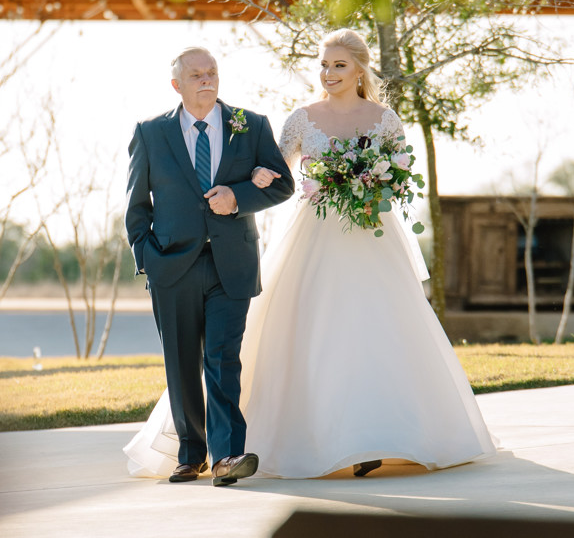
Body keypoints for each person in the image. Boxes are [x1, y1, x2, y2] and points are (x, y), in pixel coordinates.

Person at [126, 29, 496, 480]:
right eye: (324, 65)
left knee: (363, 338)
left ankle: (357, 440)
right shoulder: (294, 120)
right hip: (289, 243)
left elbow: (391, 175)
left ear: (360, 68)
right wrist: (150, 255)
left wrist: (366, 184)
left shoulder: (372, 118)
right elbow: (274, 172)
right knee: (245, 350)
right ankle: (201, 451)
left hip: (362, 243)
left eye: (339, 65)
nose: (329, 73)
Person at [124, 47, 294, 486]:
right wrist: (147, 259)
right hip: (170, 266)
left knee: (222, 359)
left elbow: (284, 184)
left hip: (231, 264)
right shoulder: (149, 133)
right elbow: (136, 207)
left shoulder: (250, 125)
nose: (206, 79)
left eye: (212, 72)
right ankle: (190, 453)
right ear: (177, 84)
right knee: (181, 362)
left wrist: (239, 197)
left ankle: (227, 457)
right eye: (196, 74)